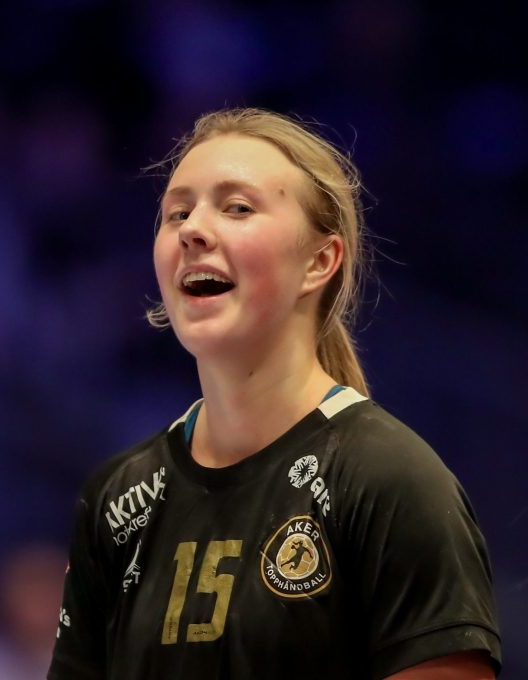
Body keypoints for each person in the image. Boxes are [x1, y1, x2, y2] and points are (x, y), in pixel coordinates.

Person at [47, 108, 501, 679]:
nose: (191, 230)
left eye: (237, 207)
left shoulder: (394, 483)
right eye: (177, 213)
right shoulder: (116, 501)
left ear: (319, 261)